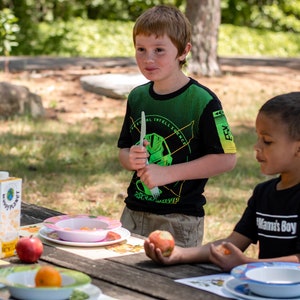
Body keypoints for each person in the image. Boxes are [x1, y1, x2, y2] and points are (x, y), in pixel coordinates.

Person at [117, 5, 237, 247]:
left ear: (183, 51)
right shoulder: (137, 97)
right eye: (141, 49)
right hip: (133, 213)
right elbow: (123, 150)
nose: (148, 59)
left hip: (180, 220)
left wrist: (167, 173)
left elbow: (227, 159)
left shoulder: (204, 101)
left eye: (159, 50)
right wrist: (130, 158)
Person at [144, 92, 300, 270]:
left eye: (267, 141)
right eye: (258, 138)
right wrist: (179, 254)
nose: (257, 146)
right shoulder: (263, 193)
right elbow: (233, 242)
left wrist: (248, 264)